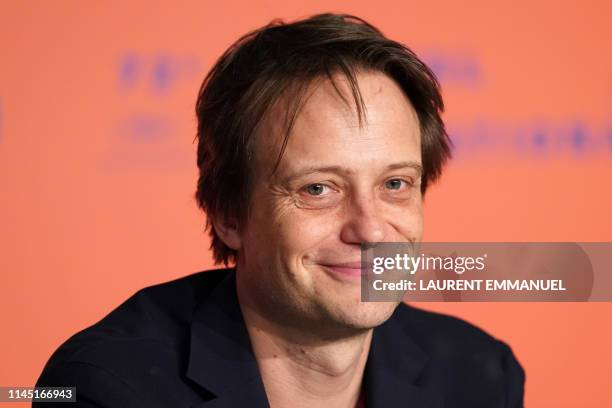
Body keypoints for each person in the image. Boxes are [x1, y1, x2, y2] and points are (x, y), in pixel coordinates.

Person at [35, 13, 525, 407]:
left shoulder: (479, 376)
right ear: (229, 213)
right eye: (318, 189)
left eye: (395, 184)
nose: (371, 228)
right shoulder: (106, 389)